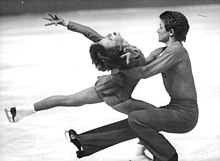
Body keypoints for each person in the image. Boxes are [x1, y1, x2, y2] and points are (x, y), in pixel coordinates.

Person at [4, 13, 154, 160]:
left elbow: (88, 32)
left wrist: (65, 23)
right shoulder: (127, 56)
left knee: (66, 99)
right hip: (119, 98)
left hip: (105, 89)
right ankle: (138, 155)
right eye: (109, 38)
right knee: (155, 118)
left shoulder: (117, 51)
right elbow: (137, 58)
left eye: (108, 37)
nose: (108, 34)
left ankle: (20, 112)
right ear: (118, 49)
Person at [64, 11, 199, 161]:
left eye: (160, 26)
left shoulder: (176, 51)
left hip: (186, 114)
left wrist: (118, 65)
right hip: (175, 109)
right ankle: (86, 142)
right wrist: (122, 59)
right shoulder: (162, 52)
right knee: (137, 120)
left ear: (171, 32)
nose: (157, 29)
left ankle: (168, 157)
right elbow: (141, 64)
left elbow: (145, 72)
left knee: (136, 118)